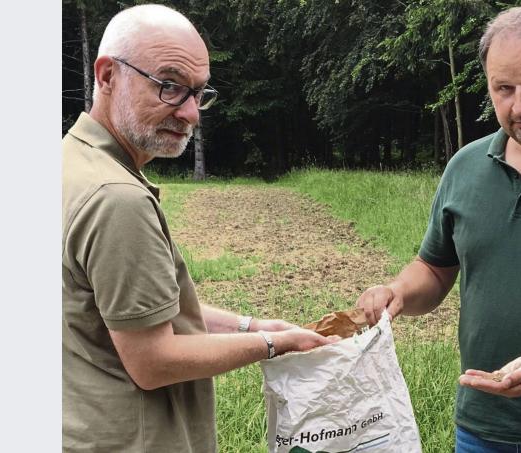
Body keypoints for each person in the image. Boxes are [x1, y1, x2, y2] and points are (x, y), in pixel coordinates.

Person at [62, 5, 336, 452]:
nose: (190, 114)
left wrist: (251, 325)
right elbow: (152, 359)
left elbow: (132, 311)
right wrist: (273, 344)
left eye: (198, 93)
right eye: (169, 87)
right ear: (108, 75)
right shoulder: (117, 197)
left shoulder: (70, 162)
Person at [357, 6, 521, 452]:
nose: (520, 105)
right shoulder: (466, 167)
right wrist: (398, 292)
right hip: (480, 427)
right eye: (503, 89)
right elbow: (434, 270)